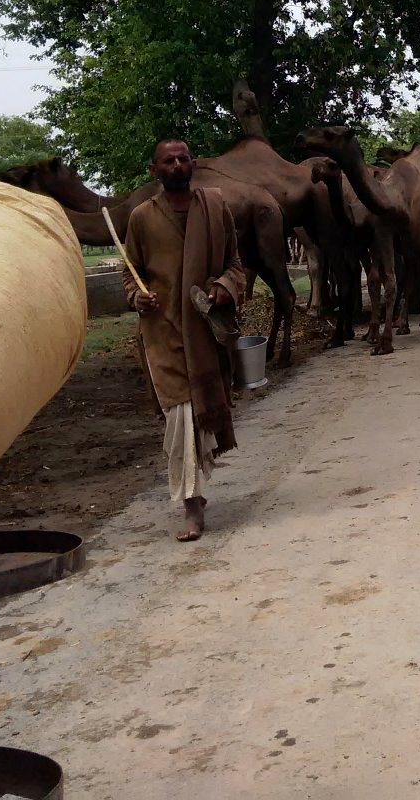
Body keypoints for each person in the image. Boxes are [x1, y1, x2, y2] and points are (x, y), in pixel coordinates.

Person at [121, 138, 247, 541]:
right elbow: (131, 272)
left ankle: (196, 489)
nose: (176, 165)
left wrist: (226, 286)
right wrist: (136, 296)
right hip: (162, 332)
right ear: (153, 170)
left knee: (200, 412)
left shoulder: (215, 207)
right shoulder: (141, 218)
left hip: (205, 328)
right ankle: (191, 505)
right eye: (167, 161)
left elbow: (235, 264)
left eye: (182, 158)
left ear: (192, 164)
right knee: (178, 417)